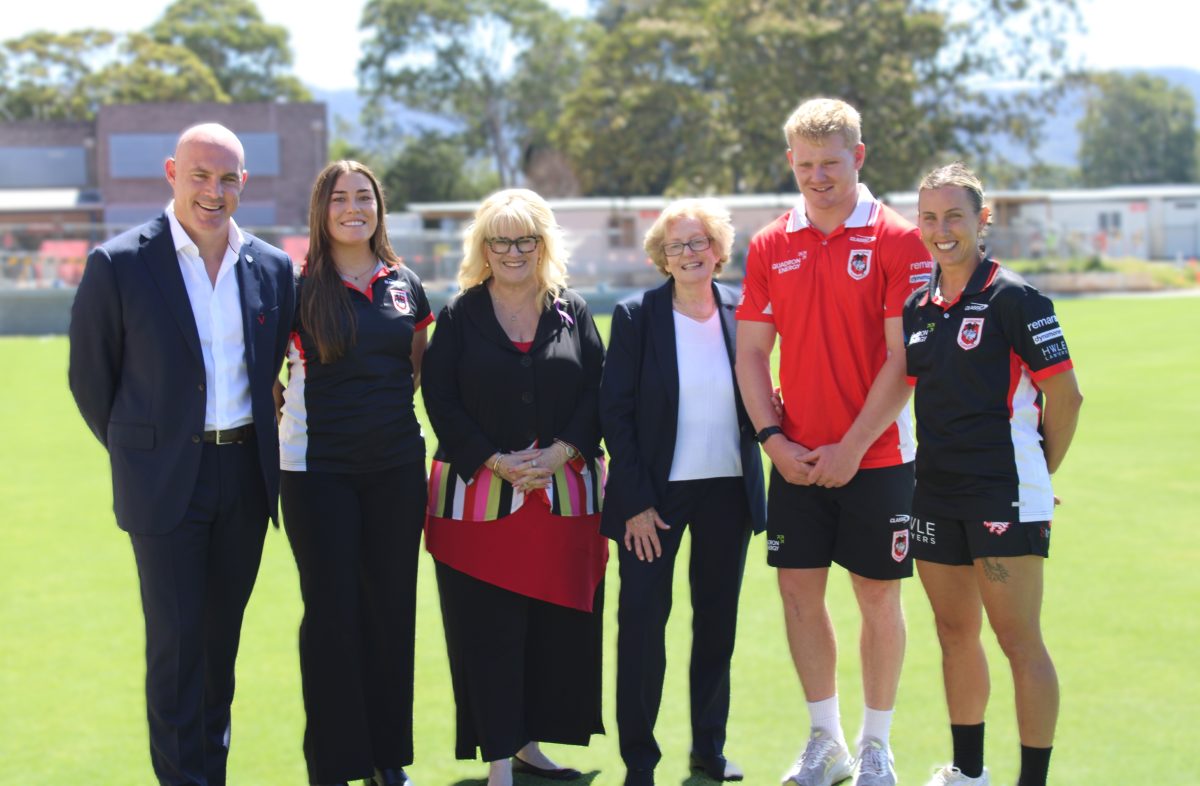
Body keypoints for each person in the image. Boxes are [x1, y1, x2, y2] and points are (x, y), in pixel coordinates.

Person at [68, 123, 295, 786]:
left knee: (219, 649)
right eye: (200, 175)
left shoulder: (272, 268)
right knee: (176, 650)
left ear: (242, 185)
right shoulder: (120, 264)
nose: (212, 190)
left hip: (245, 480)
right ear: (172, 172)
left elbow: (273, 365)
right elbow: (91, 380)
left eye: (227, 179)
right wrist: (146, 452)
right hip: (165, 483)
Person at [734, 98, 933, 786]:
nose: (818, 176)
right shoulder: (769, 244)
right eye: (806, 164)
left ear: (859, 157)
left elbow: (902, 361)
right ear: (791, 161)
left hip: (875, 457)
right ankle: (827, 739)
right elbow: (753, 354)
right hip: (795, 457)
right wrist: (772, 440)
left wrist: (851, 447)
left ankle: (876, 746)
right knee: (798, 593)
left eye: (831, 162)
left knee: (879, 598)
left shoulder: (899, 239)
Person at [420, 188, 608, 786]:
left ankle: (529, 745)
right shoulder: (457, 314)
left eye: (526, 239)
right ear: (483, 247)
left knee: (550, 634)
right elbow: (439, 399)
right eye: (500, 240)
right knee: (486, 631)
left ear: (544, 244)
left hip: (561, 505)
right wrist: (494, 460)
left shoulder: (571, 309)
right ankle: (498, 757)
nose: (513, 251)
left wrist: (561, 452)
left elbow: (599, 393)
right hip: (477, 506)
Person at [903, 163, 1082, 786]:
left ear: (982, 220)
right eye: (929, 217)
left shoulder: (1016, 298)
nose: (940, 230)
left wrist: (1038, 472)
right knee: (954, 633)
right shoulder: (917, 305)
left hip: (1003, 496)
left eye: (954, 216)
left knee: (1018, 642)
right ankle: (968, 773)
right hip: (934, 495)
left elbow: (1068, 398)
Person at [275, 161, 433, 786]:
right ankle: (334, 764)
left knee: (391, 610)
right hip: (319, 474)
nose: (352, 207)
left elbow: (413, 369)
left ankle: (385, 757)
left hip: (395, 469)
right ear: (322, 210)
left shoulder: (405, 284)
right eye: (338, 198)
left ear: (378, 207)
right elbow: (272, 382)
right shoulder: (295, 287)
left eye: (363, 196)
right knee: (332, 614)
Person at [600, 199, 767, 786]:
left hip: (728, 491)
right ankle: (640, 763)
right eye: (678, 246)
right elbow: (614, 414)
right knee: (643, 625)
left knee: (716, 625)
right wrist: (636, 502)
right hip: (654, 499)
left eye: (700, 242)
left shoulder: (745, 309)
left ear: (719, 250)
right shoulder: (635, 316)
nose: (691, 254)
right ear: (661, 258)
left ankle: (708, 753)